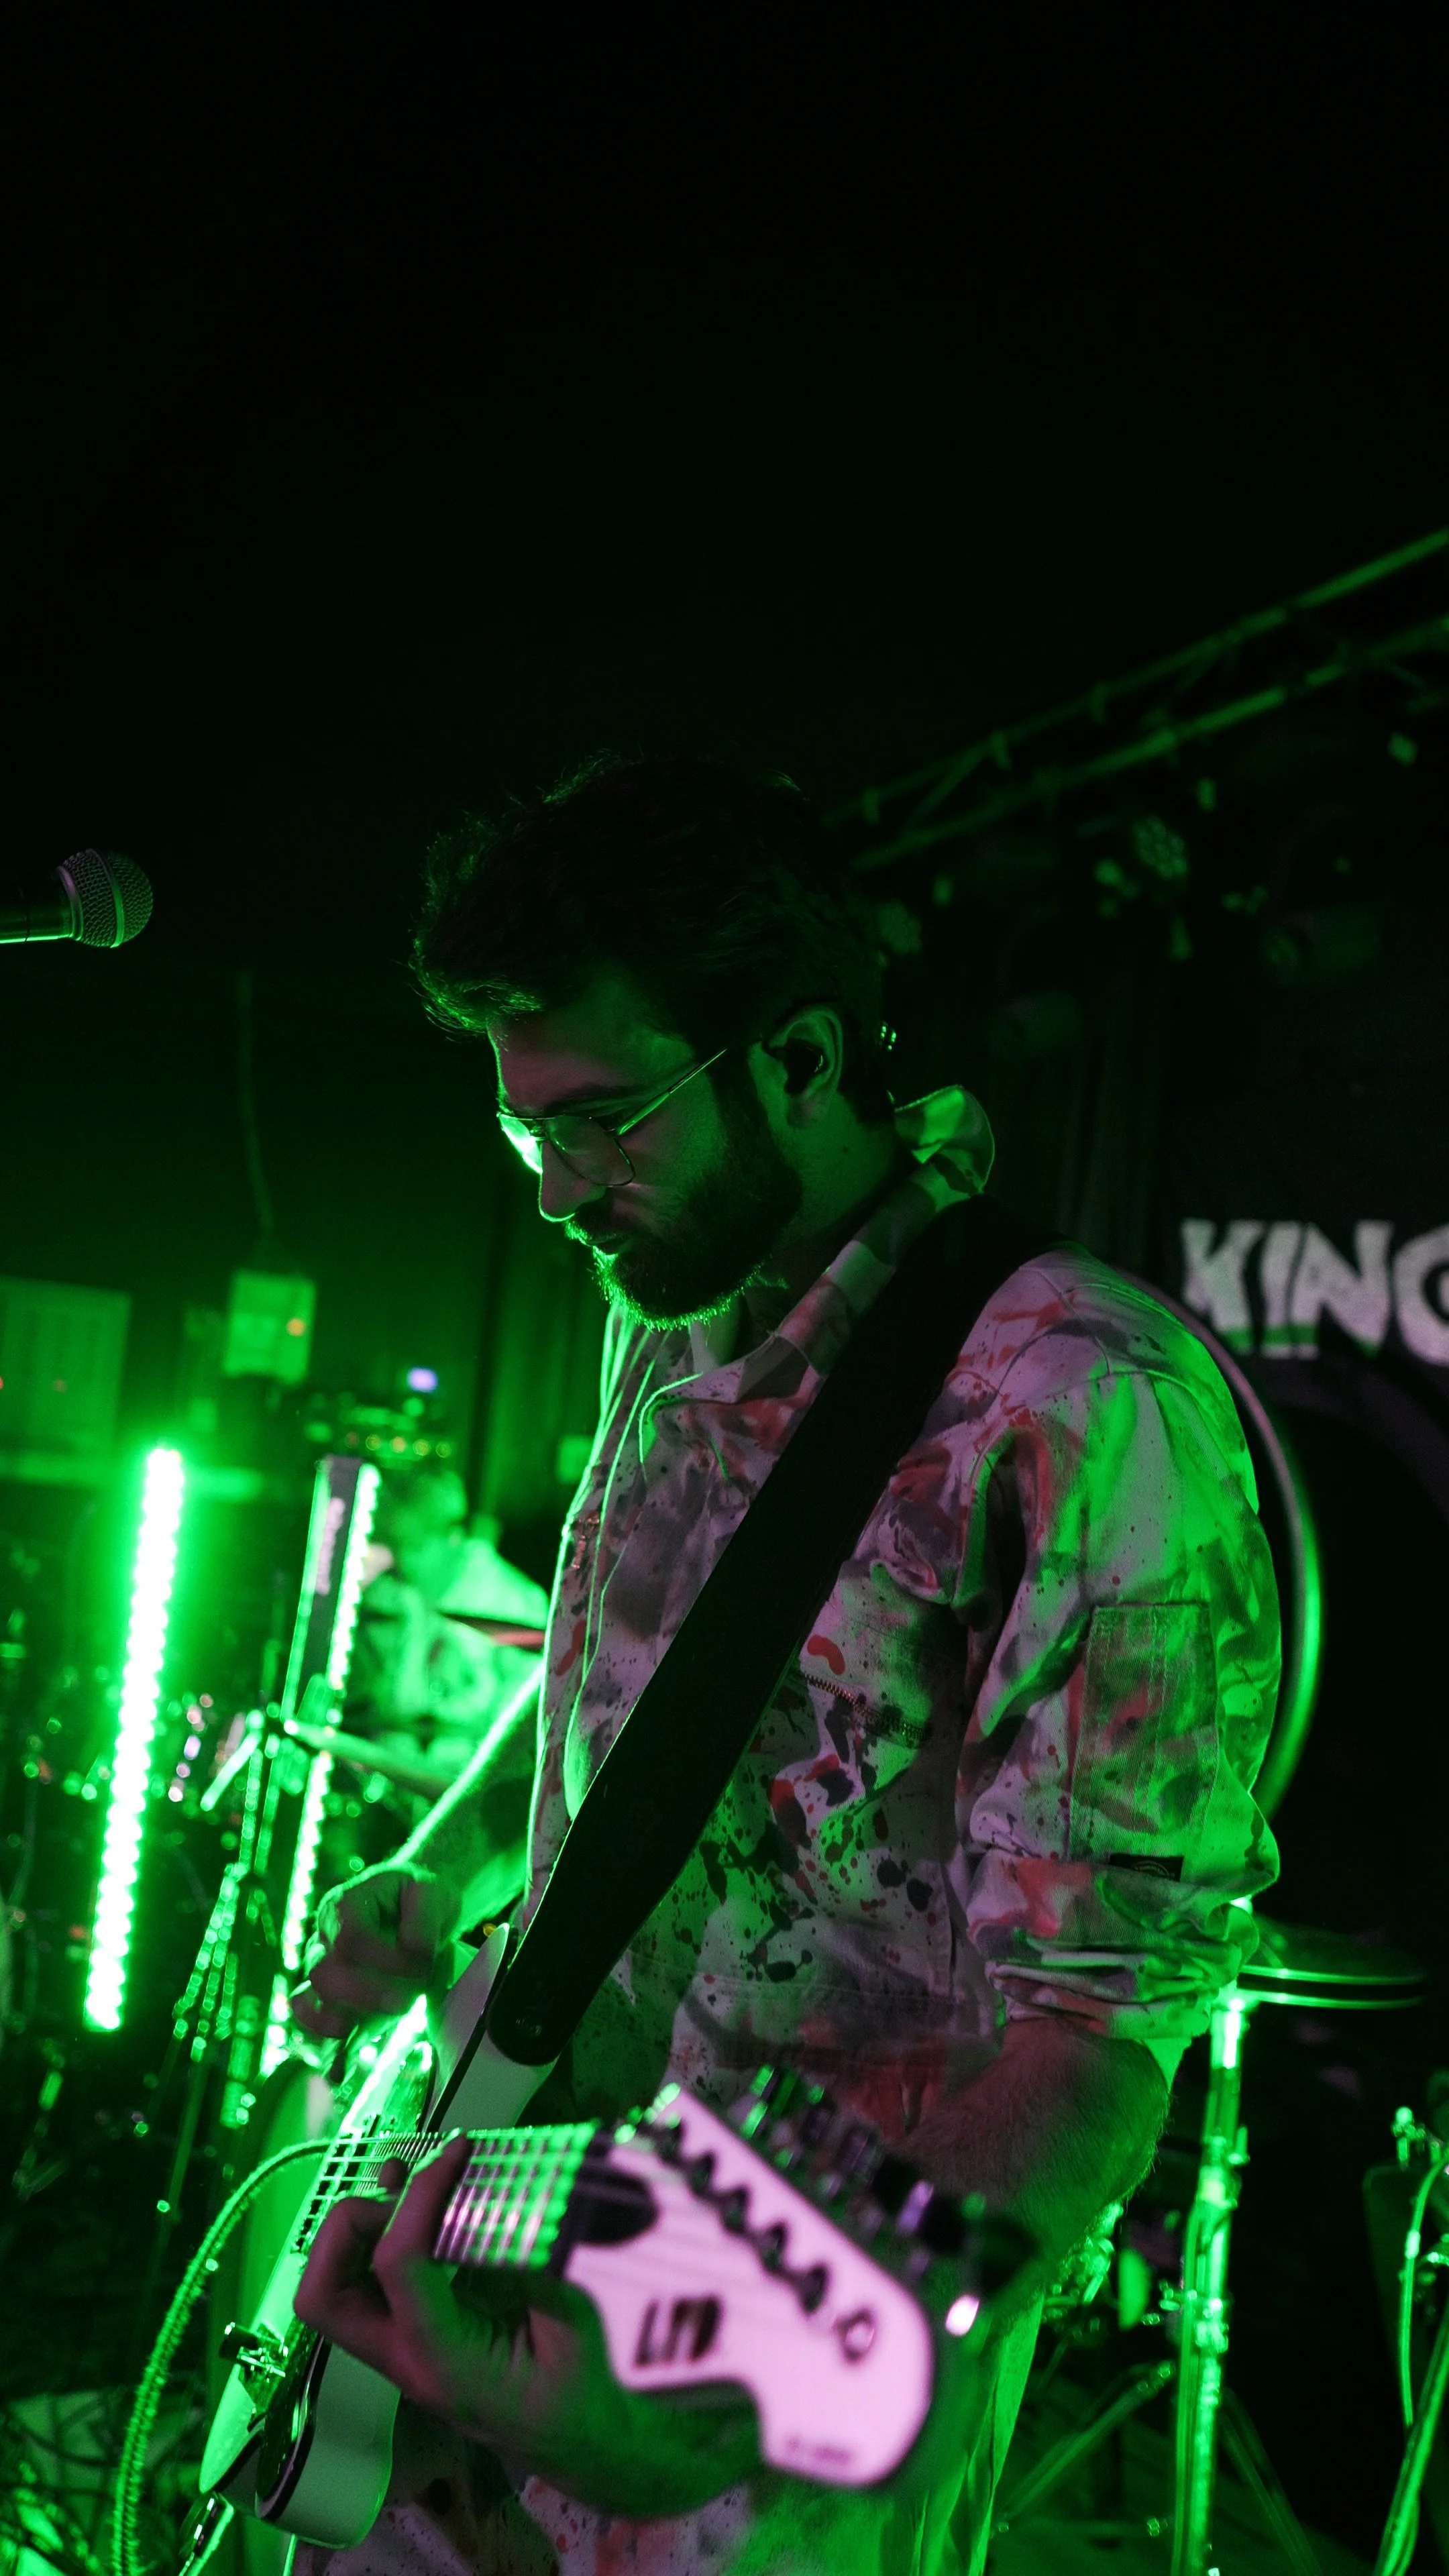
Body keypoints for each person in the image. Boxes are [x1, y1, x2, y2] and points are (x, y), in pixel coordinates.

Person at [288, 754, 1281, 2576]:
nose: (559, 1189)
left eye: (607, 1118)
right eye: (528, 1136)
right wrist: (444, 1870)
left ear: (806, 1060)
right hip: (522, 2208)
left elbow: (1093, 2059)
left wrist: (707, 2389)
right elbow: (652, 1688)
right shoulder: (668, 1321)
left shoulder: (1078, 1403)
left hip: (770, 2391)